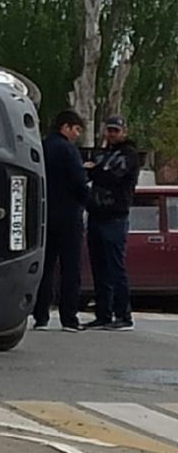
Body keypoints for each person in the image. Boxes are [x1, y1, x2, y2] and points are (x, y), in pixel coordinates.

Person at [32, 110, 89, 331]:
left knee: (45, 267)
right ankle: (69, 318)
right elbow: (78, 181)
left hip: (45, 214)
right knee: (70, 268)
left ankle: (41, 316)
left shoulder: (41, 146)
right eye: (76, 130)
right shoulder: (68, 150)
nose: (76, 135)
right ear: (65, 127)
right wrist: (87, 198)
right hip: (68, 215)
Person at [83, 115, 141, 331]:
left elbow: (113, 176)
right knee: (99, 267)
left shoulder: (129, 154)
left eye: (116, 130)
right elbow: (95, 173)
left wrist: (94, 170)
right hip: (97, 214)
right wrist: (95, 170)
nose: (112, 134)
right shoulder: (104, 153)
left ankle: (123, 315)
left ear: (124, 132)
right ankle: (103, 314)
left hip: (115, 217)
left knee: (115, 267)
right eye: (109, 130)